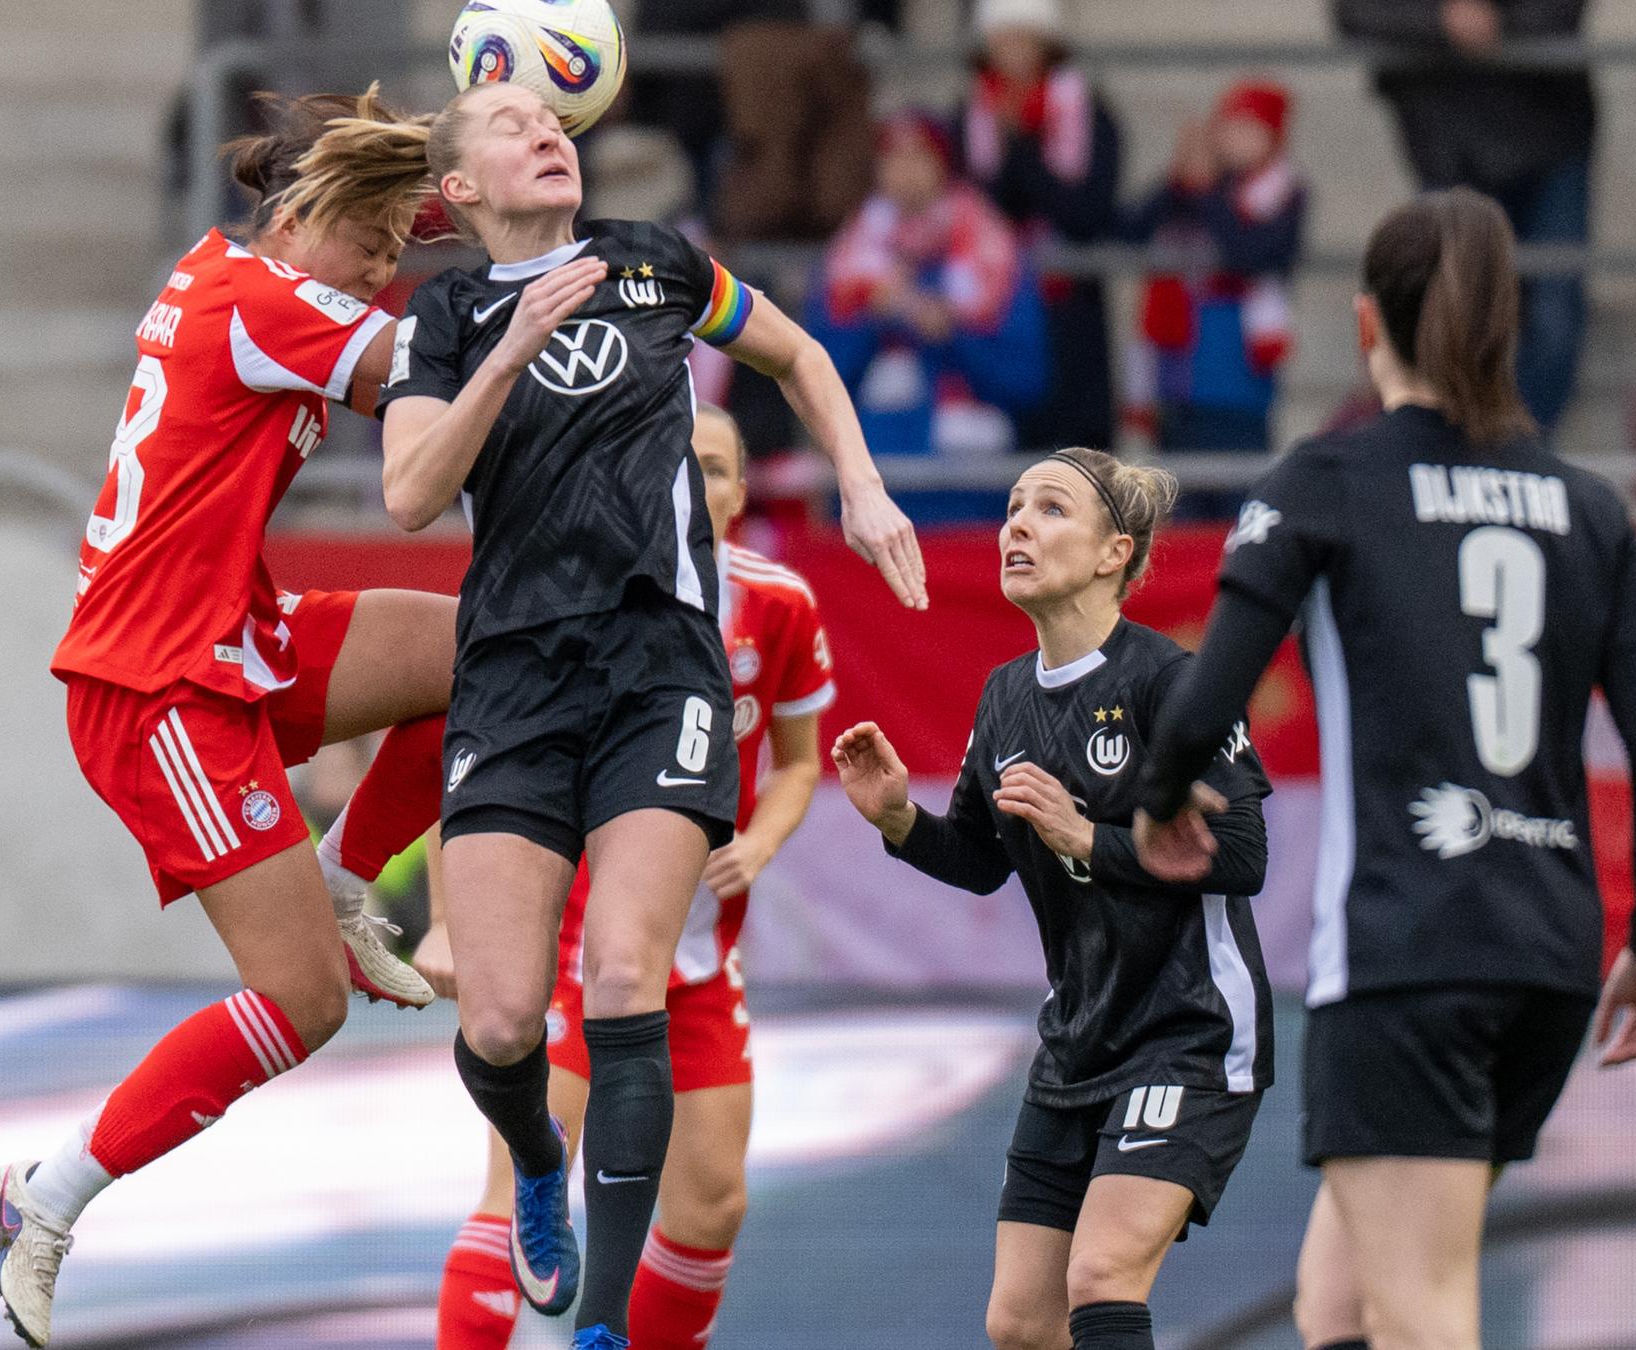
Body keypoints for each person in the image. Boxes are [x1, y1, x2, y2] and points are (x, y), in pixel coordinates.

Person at [371, 80, 925, 1350]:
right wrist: (508, 351)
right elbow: (408, 492)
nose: (546, 132)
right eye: (509, 126)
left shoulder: (653, 265)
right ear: (457, 190)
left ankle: (605, 1327)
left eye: (552, 121)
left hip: (660, 666)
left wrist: (862, 483)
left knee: (626, 974)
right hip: (513, 674)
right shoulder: (443, 317)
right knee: (504, 1021)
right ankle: (533, 1162)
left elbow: (800, 351)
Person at [1131, 189, 1636, 1350]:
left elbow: (1198, 708)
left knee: (1426, 1311)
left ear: (1367, 324)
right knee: (1344, 1301)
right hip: (1546, 961)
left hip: (1404, 955)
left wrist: (1162, 799)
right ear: (1507, 327)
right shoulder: (1594, 511)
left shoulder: (1329, 480)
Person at [0, 87, 464, 1349]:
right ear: (302, 214)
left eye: (401, 252)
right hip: (160, 692)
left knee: (480, 651)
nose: (383, 272)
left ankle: (355, 879)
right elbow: (431, 386)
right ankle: (45, 1197)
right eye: (370, 241)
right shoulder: (268, 303)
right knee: (299, 1004)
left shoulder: (237, 281)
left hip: (227, 636)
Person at [830, 447, 1272, 1350]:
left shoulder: (1170, 682)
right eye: (1013, 506)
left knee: (1102, 1277)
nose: (1018, 525)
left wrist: (1089, 839)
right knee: (1023, 1323)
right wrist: (897, 820)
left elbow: (1243, 852)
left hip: (1188, 1031)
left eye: (1051, 509)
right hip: (1076, 1040)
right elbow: (981, 860)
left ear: (1116, 552)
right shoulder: (1004, 697)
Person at [423, 406, 834, 1350]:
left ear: (741, 493)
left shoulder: (777, 605)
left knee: (712, 1207)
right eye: (679, 462)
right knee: (518, 1192)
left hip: (692, 959)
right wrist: (450, 919)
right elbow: (475, 764)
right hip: (568, 941)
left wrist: (763, 841)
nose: (699, 482)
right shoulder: (561, 588)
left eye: (720, 469)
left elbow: (801, 761)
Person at [1335, 0, 1592, 431]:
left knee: (1552, 311)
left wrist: (1499, 20)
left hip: (1547, 128)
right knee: (1443, 303)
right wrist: (1440, 20)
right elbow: (1355, 13)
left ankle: (1517, 449)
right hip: (1445, 141)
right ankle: (1468, 442)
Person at [806, 107, 1048, 509]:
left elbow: (1028, 379)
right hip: (873, 480)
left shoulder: (992, 251)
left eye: (919, 156)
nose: (905, 171)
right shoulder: (849, 260)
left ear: (944, 166)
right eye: (893, 157)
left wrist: (952, 335)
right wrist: (872, 320)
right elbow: (812, 376)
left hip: (969, 488)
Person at [956, 0, 1123, 453]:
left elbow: (1086, 214)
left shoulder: (1087, 111)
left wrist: (1023, 143)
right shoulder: (970, 117)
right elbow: (981, 210)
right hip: (999, 308)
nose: (1013, 53)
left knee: (1076, 449)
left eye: (1023, 38)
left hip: (1069, 307)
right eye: (1002, 38)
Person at [1125, 78, 1307, 455]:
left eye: (1247, 128)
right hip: (1178, 373)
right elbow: (1131, 229)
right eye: (1228, 126)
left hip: (1239, 378)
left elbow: (1250, 254)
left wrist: (1205, 190)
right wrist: (1178, 177)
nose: (1233, 138)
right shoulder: (1197, 186)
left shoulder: (1285, 193)